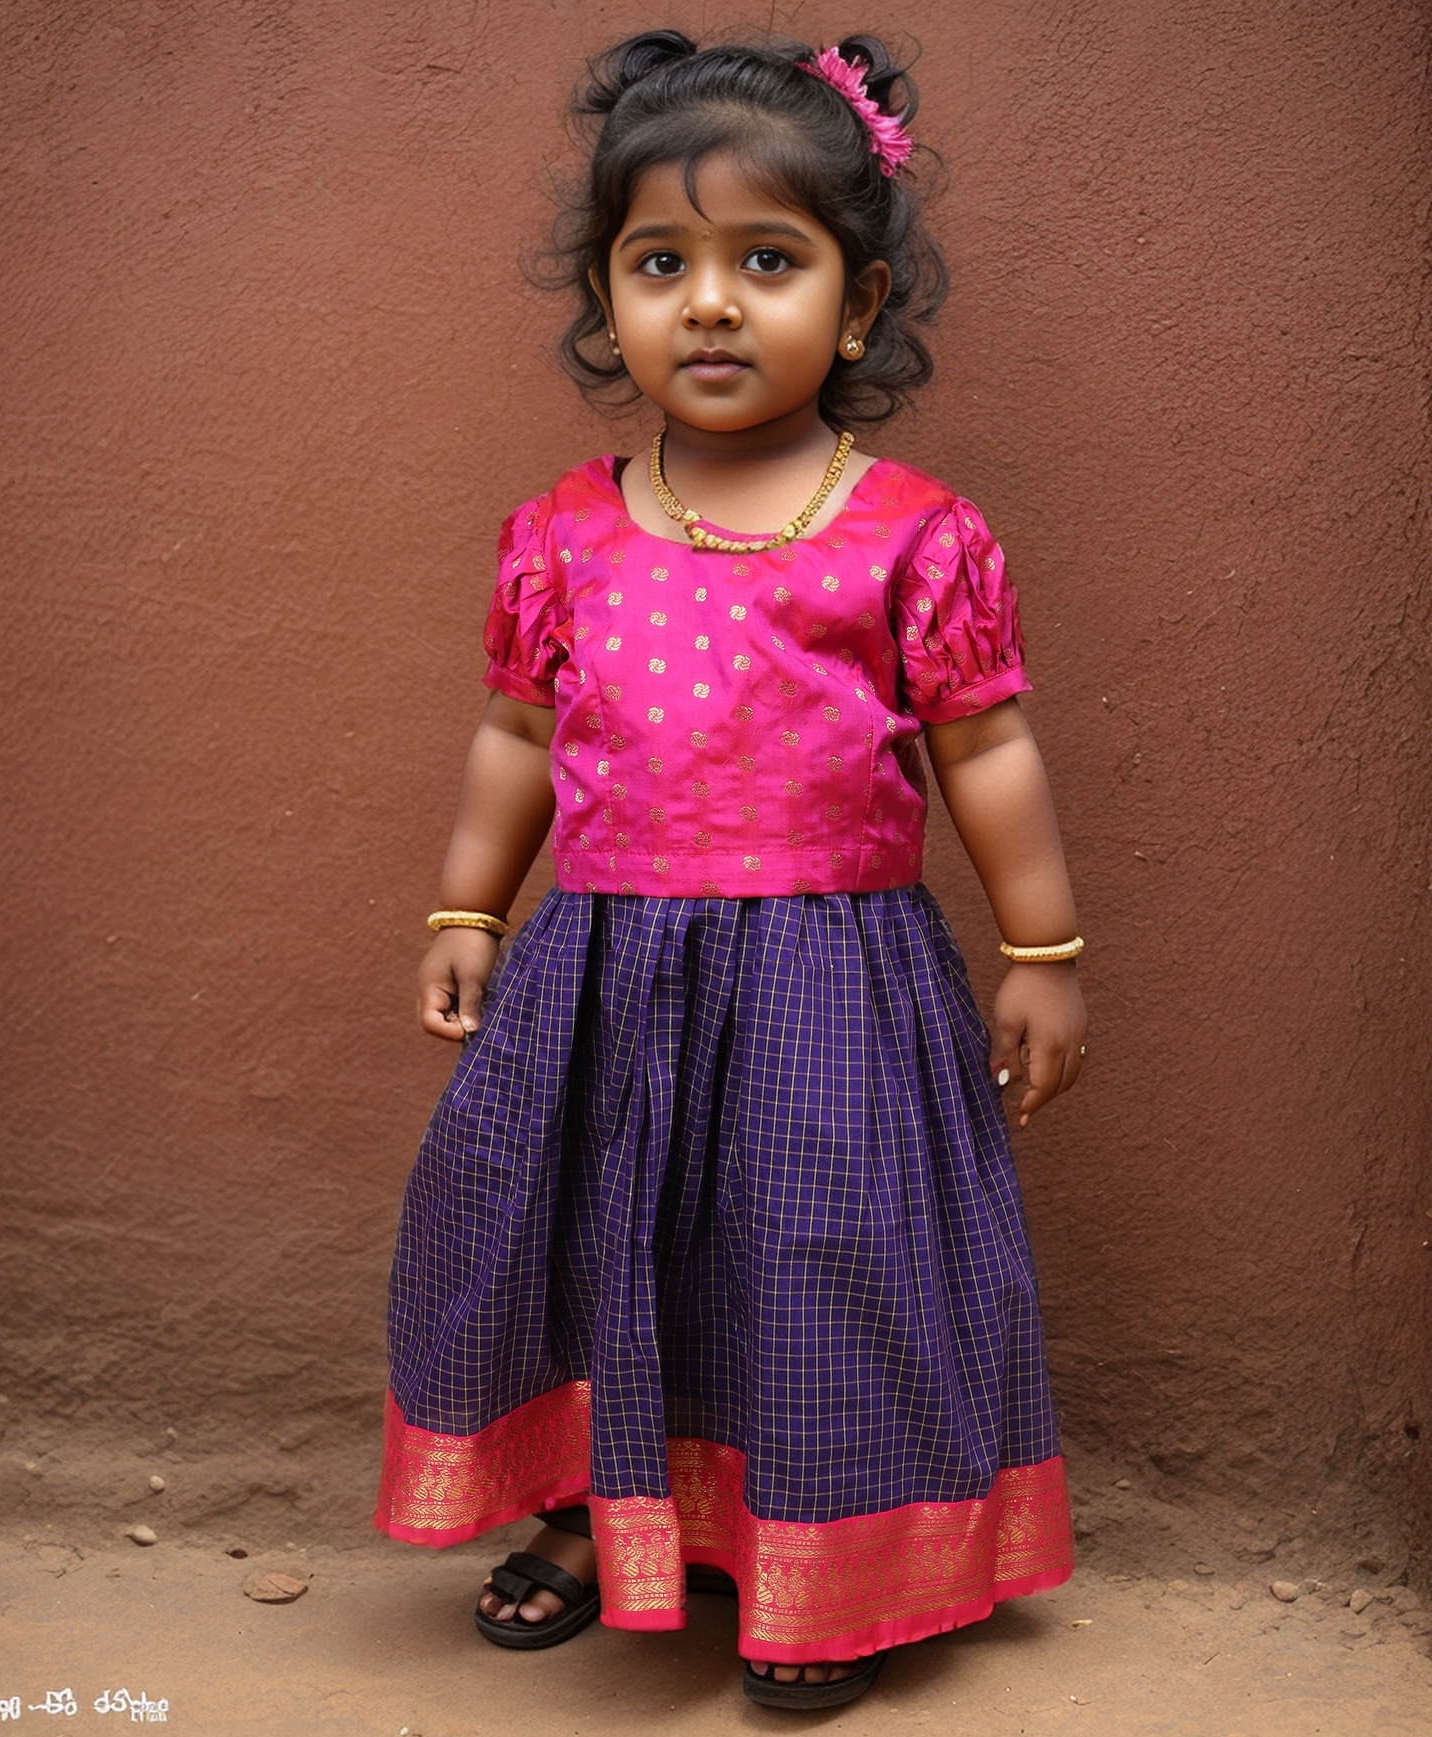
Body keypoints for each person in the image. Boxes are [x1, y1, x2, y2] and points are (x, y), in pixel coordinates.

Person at [374, 29, 1087, 1712]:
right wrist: (469, 907)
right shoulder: (564, 532)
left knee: (816, 1262)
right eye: (660, 263)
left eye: (766, 261)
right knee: (585, 1233)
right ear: (606, 299)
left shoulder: (913, 530)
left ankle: (829, 1569)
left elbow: (986, 749)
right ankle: (586, 1510)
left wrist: (1044, 949)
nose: (709, 302)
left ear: (855, 302)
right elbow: (517, 737)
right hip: (607, 976)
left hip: (833, 984)